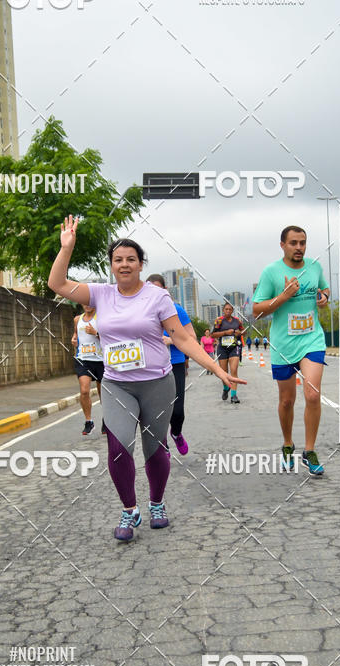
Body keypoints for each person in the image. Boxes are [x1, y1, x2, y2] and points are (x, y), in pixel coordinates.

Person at [48, 217, 246, 542]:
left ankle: (156, 503)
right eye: (118, 260)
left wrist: (218, 368)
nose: (124, 265)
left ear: (140, 265)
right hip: (116, 385)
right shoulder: (100, 294)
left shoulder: (157, 298)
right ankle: (129, 509)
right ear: (111, 265)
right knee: (118, 447)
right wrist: (66, 248)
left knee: (155, 448)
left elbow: (182, 339)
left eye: (131, 259)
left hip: (157, 383)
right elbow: (57, 283)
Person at [252, 225, 330, 476]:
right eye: (293, 243)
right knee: (287, 401)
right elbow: (257, 311)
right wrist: (284, 296)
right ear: (283, 245)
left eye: (303, 243)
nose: (299, 248)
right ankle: (288, 444)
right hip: (284, 345)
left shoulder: (315, 267)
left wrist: (324, 297)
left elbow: (325, 289)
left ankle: (309, 450)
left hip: (312, 340)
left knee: (312, 395)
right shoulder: (271, 272)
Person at [146, 274, 194, 455]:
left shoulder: (176, 310)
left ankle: (176, 433)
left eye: (158, 289)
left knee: (177, 411)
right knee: (157, 410)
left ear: (165, 291)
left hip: (175, 363)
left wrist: (170, 340)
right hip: (152, 367)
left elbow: (191, 338)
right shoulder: (141, 312)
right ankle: (162, 441)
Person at [71, 304, 104, 436]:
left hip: (100, 360)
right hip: (83, 359)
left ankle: (106, 419)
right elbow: (75, 335)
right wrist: (74, 339)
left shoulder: (101, 318)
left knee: (104, 395)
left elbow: (110, 337)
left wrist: (96, 333)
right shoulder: (77, 319)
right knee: (84, 391)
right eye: (84, 303)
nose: (87, 306)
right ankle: (88, 421)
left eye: (89, 303)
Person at [211, 302, 245, 404]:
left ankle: (234, 395)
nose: (228, 311)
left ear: (232, 311)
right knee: (224, 373)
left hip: (234, 348)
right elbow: (213, 335)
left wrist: (240, 333)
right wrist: (225, 333)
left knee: (234, 370)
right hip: (223, 348)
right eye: (226, 309)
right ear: (223, 310)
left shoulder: (237, 321)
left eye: (230, 309)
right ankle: (226, 388)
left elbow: (244, 331)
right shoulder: (219, 321)